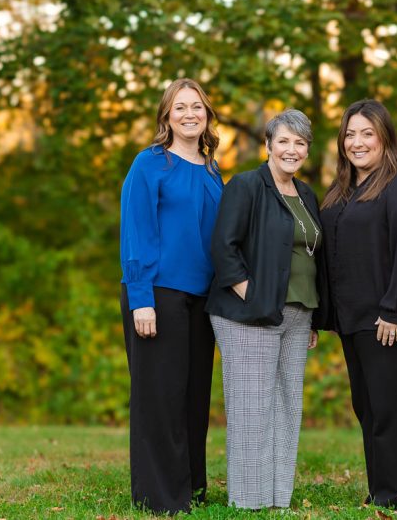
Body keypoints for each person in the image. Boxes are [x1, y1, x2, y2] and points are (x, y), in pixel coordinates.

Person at [318, 99, 397, 508]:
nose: (357, 142)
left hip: (391, 317)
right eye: (350, 134)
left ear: (385, 137)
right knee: (366, 406)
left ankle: (395, 496)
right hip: (354, 319)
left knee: (388, 406)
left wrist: (394, 309)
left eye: (367, 133)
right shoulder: (341, 191)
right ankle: (382, 488)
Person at [206, 109, 322, 510]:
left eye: (300, 143)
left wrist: (313, 316)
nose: (292, 149)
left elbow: (310, 256)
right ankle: (249, 500)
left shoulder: (306, 194)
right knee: (252, 408)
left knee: (288, 406)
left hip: (298, 315)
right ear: (268, 145)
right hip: (248, 315)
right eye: (284, 141)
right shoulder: (246, 186)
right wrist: (251, 295)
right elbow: (223, 247)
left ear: (307, 149)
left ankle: (277, 498)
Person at [119, 78, 223, 515]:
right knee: (160, 398)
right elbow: (136, 230)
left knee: (194, 397)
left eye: (196, 107)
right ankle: (159, 497)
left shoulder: (213, 171)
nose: (189, 114)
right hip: (157, 294)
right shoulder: (149, 164)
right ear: (166, 116)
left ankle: (191, 489)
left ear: (207, 115)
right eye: (179, 107)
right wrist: (140, 296)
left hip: (202, 299)